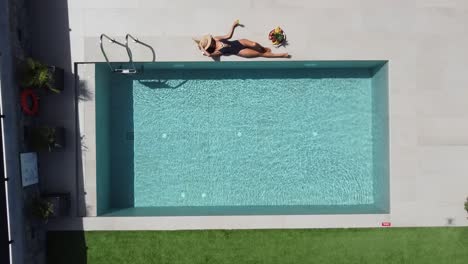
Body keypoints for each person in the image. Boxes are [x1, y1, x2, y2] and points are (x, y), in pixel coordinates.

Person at [194, 20, 289, 58]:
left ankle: (263, 48)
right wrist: (202, 49)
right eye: (209, 43)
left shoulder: (216, 39)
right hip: (239, 51)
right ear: (209, 45)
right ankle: (280, 55)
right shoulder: (216, 51)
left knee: (254, 44)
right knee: (260, 54)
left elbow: (228, 36)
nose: (211, 43)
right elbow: (209, 55)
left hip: (238, 42)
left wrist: (233, 26)